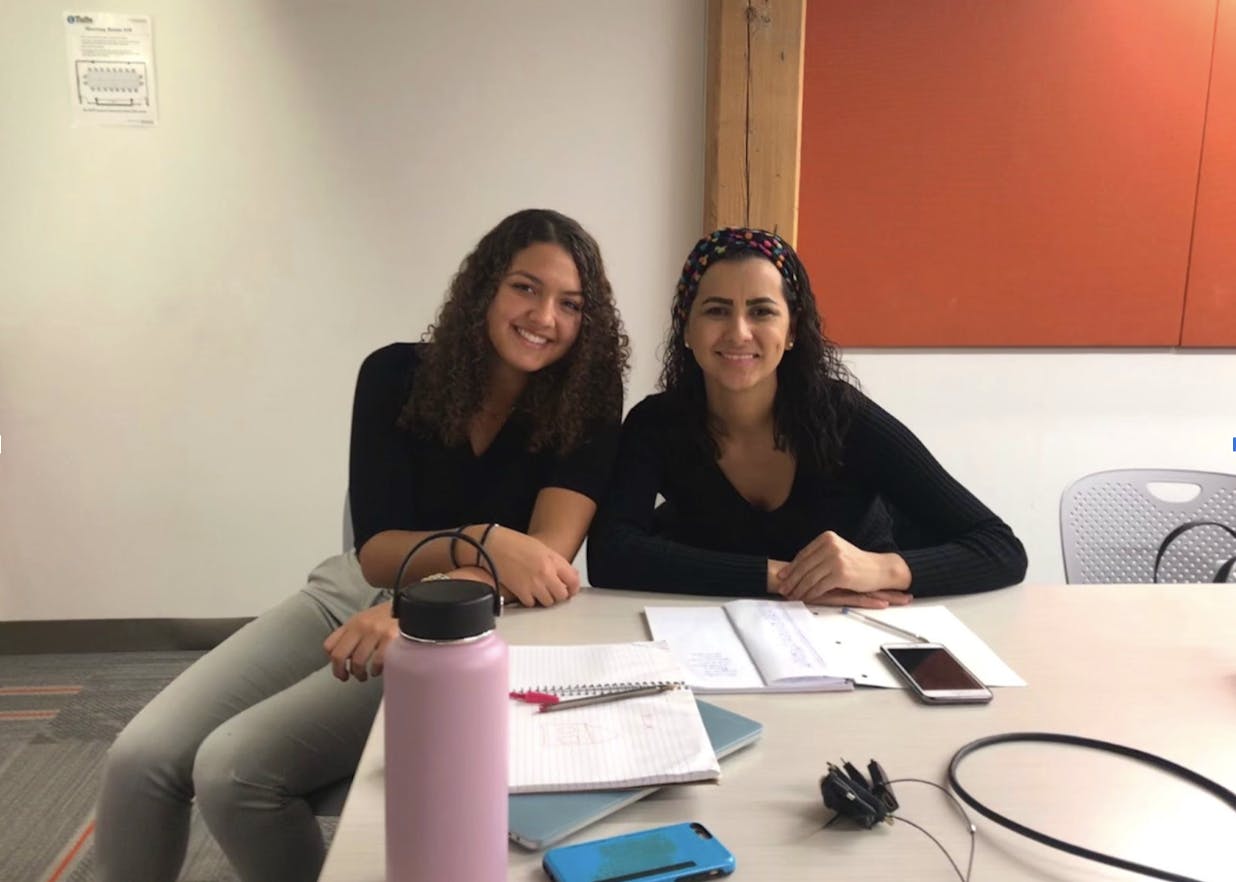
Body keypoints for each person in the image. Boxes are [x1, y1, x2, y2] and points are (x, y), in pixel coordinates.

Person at [96, 208, 629, 882]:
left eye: (570, 304)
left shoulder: (587, 402)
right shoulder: (393, 376)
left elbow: (544, 563)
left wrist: (424, 600)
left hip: (468, 627)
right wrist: (483, 540)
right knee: (139, 757)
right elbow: (377, 551)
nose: (545, 315)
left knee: (231, 770)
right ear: (486, 288)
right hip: (350, 592)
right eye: (526, 287)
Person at [587, 227, 1025, 608]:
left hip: (861, 634)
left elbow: (1000, 548)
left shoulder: (845, 417)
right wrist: (785, 578)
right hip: (717, 644)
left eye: (762, 311)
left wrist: (880, 570)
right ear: (686, 328)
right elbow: (611, 556)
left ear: (792, 330)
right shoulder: (655, 424)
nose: (739, 332)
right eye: (716, 310)